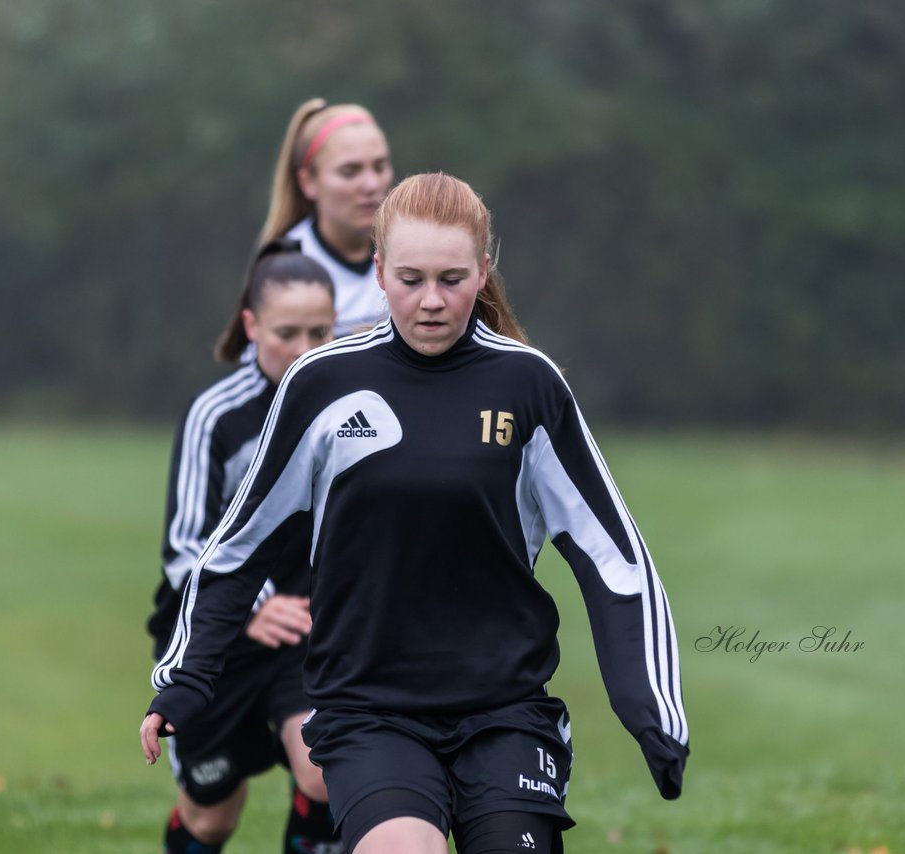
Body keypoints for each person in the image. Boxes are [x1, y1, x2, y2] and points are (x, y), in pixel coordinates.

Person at [142, 173, 689, 854]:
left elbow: (616, 561)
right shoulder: (323, 385)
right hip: (370, 710)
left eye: (453, 278)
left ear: (485, 270)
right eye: (410, 278)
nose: (431, 301)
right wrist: (186, 681)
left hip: (506, 712)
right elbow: (234, 549)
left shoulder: (530, 386)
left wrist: (650, 709)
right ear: (377, 271)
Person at [148, 241, 342, 854]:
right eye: (288, 333)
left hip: (304, 630)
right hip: (221, 640)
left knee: (325, 772)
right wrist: (256, 606)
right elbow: (183, 546)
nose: (306, 349)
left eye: (321, 332)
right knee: (213, 817)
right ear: (252, 326)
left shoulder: (349, 409)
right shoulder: (216, 416)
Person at [257, 97, 394, 337]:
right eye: (349, 171)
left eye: (380, 167)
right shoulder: (284, 263)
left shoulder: (410, 252)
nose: (371, 184)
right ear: (308, 182)